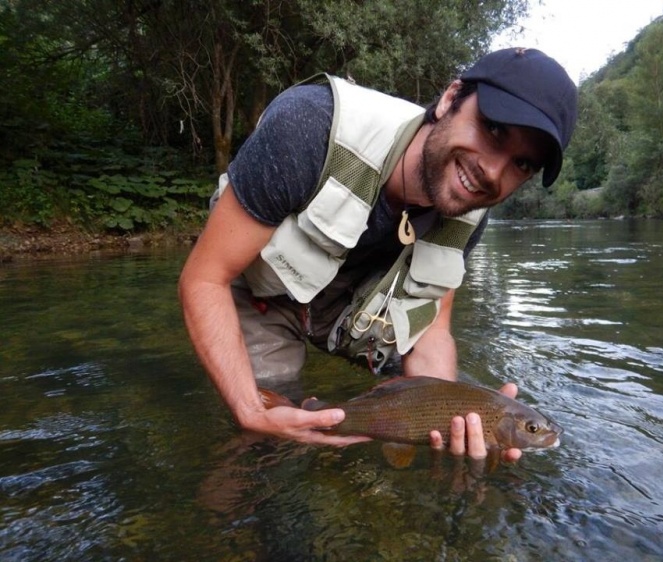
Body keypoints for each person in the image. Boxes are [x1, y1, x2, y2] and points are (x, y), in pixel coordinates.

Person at [179, 47, 578, 462]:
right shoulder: (309, 126)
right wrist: (247, 410)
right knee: (265, 440)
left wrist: (448, 417)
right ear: (449, 98)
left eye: (523, 164)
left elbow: (434, 329)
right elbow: (205, 278)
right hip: (266, 295)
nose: (493, 173)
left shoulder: (469, 214)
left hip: (350, 311)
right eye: (493, 129)